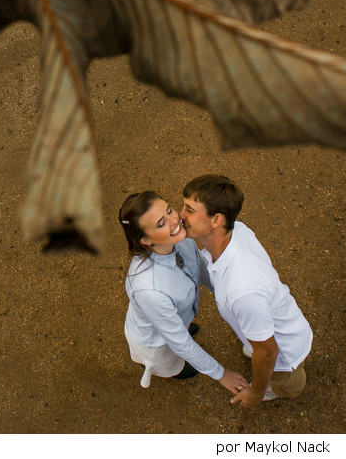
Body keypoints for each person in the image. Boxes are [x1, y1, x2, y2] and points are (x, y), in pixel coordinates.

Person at [179, 175, 312, 409]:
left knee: (289, 384)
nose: (180, 215)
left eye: (189, 210)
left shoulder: (242, 291)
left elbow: (268, 351)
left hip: (283, 355)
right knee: (257, 345)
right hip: (271, 324)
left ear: (216, 220)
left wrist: (256, 393)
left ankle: (278, 386)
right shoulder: (237, 230)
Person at [118, 191, 247, 395]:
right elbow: (179, 342)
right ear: (144, 240)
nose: (175, 221)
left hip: (173, 321)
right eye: (161, 223)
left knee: (183, 330)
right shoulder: (149, 289)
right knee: (180, 358)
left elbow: (200, 266)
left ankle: (185, 327)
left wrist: (228, 293)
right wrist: (221, 374)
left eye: (169, 210)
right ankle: (173, 369)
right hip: (157, 341)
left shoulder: (180, 239)